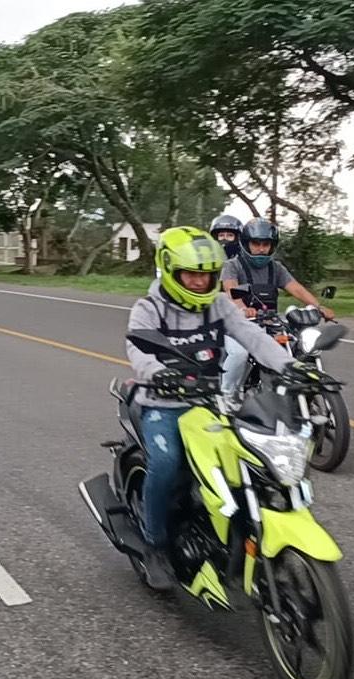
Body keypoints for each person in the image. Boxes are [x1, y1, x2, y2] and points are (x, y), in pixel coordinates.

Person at [125, 226, 293, 589]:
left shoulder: (218, 304)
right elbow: (137, 350)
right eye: (192, 274)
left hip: (212, 402)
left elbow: (252, 336)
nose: (200, 282)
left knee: (250, 457)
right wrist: (160, 373)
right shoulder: (149, 308)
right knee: (168, 464)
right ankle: (155, 544)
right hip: (162, 403)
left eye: (207, 275)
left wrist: (289, 366)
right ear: (170, 270)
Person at [219, 218, 334, 394]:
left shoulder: (276, 268)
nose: (261, 248)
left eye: (266, 244)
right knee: (240, 353)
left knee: (299, 347)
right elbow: (231, 289)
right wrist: (242, 308)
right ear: (245, 244)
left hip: (268, 320)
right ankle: (227, 395)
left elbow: (295, 288)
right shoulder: (232, 265)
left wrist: (318, 307)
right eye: (256, 244)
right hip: (236, 322)